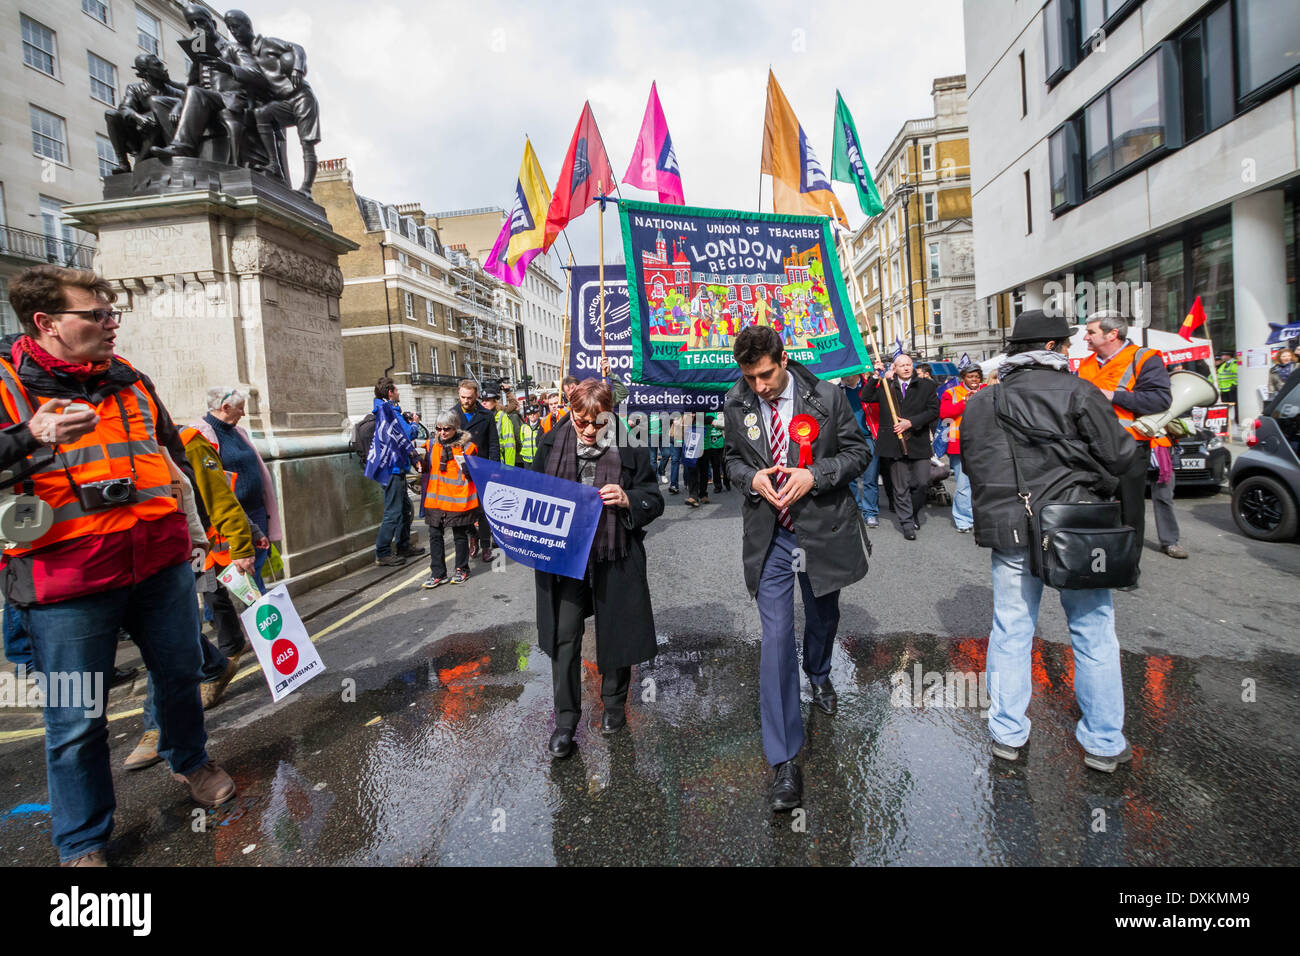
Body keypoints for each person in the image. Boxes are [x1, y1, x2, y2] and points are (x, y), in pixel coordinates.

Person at [1, 265, 236, 865]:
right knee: (77, 716)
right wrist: (30, 435)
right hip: (66, 581)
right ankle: (82, 841)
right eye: (96, 315)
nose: (111, 325)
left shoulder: (131, 379)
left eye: (113, 314)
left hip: (158, 565)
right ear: (46, 323)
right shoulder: (5, 383)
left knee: (181, 674)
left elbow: (173, 457)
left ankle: (191, 762)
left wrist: (204, 536)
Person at [961, 309, 1139, 773]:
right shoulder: (1078, 390)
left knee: (1012, 631)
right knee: (1093, 631)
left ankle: (1007, 734)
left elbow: (976, 466)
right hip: (1075, 526)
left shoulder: (983, 400)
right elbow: (1120, 455)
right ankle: (1102, 742)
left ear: (1016, 352)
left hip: (1013, 529)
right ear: (1057, 349)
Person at [723, 326, 870, 812]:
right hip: (771, 537)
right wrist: (751, 478)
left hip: (821, 532)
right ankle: (785, 760)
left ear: (783, 360)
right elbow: (730, 461)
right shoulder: (736, 402)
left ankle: (820, 672)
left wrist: (815, 474)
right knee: (777, 638)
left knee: (823, 616)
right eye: (750, 377)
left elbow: (859, 453)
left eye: (765, 375)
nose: (759, 386)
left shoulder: (827, 397)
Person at [532, 379, 663, 758]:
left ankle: (614, 706)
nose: (589, 430)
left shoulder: (630, 444)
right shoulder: (550, 442)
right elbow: (532, 495)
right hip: (566, 558)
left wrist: (628, 499)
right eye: (580, 421)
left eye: (598, 423)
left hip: (614, 553)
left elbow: (653, 499)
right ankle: (565, 720)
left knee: (616, 629)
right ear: (570, 412)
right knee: (565, 635)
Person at [1077, 311, 1174, 576]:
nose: (1085, 337)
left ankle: (1127, 570)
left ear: (1112, 334)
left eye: (1091, 332)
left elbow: (1159, 401)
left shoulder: (1145, 359)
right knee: (1093, 510)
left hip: (1129, 447)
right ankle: (1099, 565)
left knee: (1129, 511)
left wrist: (1114, 396)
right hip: (1090, 448)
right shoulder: (1085, 364)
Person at [192, 386, 283, 589]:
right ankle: (219, 618)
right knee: (214, 580)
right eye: (240, 408)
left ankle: (259, 616)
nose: (243, 413)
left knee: (254, 571)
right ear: (225, 407)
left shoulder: (239, 432)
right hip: (227, 518)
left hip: (256, 513)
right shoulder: (200, 435)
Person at [860, 354, 940, 540]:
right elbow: (866, 396)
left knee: (921, 483)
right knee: (900, 486)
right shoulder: (886, 386)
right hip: (894, 445)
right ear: (894, 368)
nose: (906, 368)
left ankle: (912, 514)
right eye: (901, 365)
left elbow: (933, 411)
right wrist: (875, 376)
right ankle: (906, 524)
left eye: (909, 365)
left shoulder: (926, 385)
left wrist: (911, 423)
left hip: (918, 442)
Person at [419, 411, 481, 587]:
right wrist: (419, 464)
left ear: (455, 428)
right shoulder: (431, 445)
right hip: (435, 499)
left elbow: (475, 473)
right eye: (439, 428)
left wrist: (469, 470)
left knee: (459, 535)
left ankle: (462, 569)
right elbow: (427, 467)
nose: (442, 432)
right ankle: (438, 573)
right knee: (434, 535)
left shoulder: (468, 448)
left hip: (457, 499)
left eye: (447, 429)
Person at [371, 377, 424, 567]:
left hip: (396, 466)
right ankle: (383, 552)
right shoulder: (389, 411)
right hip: (392, 468)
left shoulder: (385, 410)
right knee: (393, 511)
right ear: (390, 393)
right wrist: (415, 423)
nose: (399, 393)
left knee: (404, 508)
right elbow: (407, 434)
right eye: (397, 390)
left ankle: (403, 545)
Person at [455, 379, 499, 563]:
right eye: (463, 397)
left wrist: (495, 469)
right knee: (464, 510)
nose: (466, 401)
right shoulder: (452, 414)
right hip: (459, 469)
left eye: (470, 398)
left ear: (476, 396)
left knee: (482, 510)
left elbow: (493, 444)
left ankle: (486, 546)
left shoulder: (486, 415)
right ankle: (472, 537)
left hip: (481, 467)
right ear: (459, 395)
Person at [939, 366, 987, 534]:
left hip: (984, 444)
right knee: (963, 484)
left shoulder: (987, 390)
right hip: (959, 444)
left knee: (983, 483)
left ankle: (981, 517)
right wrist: (963, 403)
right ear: (963, 378)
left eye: (977, 377)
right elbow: (945, 414)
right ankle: (963, 520)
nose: (974, 380)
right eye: (970, 376)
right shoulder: (951, 392)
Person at [839, 373, 880, 528]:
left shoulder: (869, 389)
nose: (844, 374)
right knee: (850, 478)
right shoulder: (838, 391)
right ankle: (855, 509)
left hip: (868, 437)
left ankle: (870, 512)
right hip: (846, 439)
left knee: (870, 478)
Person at [481, 382, 516, 466]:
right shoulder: (479, 416)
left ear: (495, 402)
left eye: (487, 400)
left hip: (498, 462)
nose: (484, 403)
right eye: (482, 400)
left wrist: (509, 468)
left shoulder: (502, 417)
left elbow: (509, 445)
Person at [1215, 350, 1239, 420]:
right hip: (1224, 389)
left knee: (1233, 406)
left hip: (1231, 389)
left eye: (1223, 355)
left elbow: (1237, 375)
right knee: (1226, 406)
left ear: (1228, 356)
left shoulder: (1234, 364)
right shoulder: (1224, 364)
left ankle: (1235, 419)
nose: (1222, 357)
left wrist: (1234, 385)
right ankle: (1228, 420)